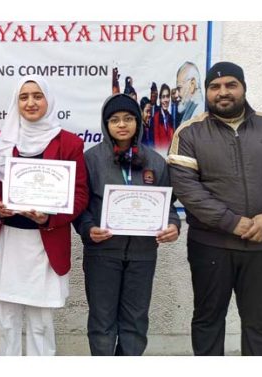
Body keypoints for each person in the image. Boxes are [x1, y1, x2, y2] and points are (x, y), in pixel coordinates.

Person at [168, 62, 262, 356]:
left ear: (243, 87)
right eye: (215, 87)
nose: (223, 92)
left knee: (259, 324)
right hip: (211, 247)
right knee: (208, 321)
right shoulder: (189, 133)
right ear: (206, 92)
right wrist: (232, 222)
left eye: (231, 85)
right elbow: (186, 188)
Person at [0, 75, 88, 356]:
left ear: (48, 100)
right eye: (24, 96)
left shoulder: (70, 144)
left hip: (45, 243)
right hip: (8, 242)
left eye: (37, 96)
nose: (30, 102)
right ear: (15, 102)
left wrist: (49, 218)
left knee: (41, 323)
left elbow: (79, 195)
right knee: (6, 320)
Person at [74, 93, 180, 356]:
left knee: (135, 322)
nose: (122, 125)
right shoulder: (91, 160)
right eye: (115, 120)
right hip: (102, 253)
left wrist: (173, 225)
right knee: (102, 322)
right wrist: (88, 230)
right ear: (105, 124)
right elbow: (80, 206)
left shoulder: (155, 162)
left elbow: (168, 205)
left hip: (142, 255)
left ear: (138, 122)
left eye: (129, 118)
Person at [174, 61, 204, 126]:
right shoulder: (191, 112)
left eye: (179, 88)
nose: (176, 95)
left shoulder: (199, 116)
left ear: (192, 85)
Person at [151, 83, 174, 154]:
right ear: (160, 99)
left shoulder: (170, 117)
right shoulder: (155, 118)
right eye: (163, 97)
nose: (166, 100)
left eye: (167, 96)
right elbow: (156, 143)